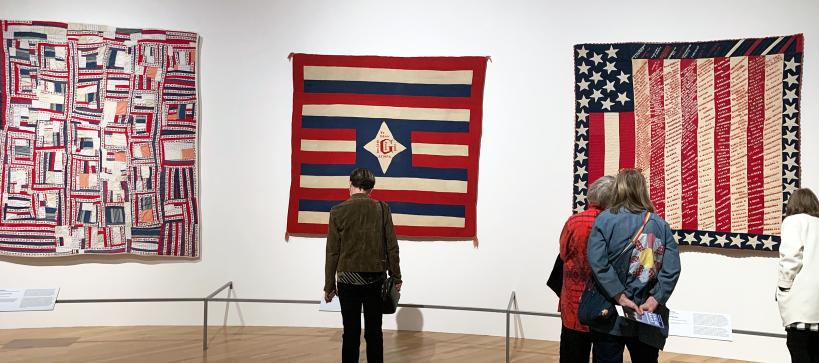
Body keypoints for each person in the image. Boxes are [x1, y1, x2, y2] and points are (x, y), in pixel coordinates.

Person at [586, 168, 681, 363]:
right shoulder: (660, 225)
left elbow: (598, 263)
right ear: (643, 190)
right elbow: (672, 269)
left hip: (610, 311)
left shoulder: (604, 220)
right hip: (646, 312)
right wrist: (655, 300)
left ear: (618, 189)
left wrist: (619, 296)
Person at [324, 167, 402, 363]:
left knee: (350, 333)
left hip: (347, 282)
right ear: (371, 188)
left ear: (350, 184)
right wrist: (397, 276)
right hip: (375, 281)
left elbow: (332, 252)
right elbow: (392, 247)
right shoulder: (382, 209)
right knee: (374, 332)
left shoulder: (337, 211)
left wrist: (329, 286)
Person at [558, 175, 615, 362]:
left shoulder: (574, 222)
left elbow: (563, 255)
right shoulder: (613, 224)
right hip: (603, 302)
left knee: (572, 355)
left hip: (574, 303)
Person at [777, 188, 819, 362]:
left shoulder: (793, 221)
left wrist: (783, 287)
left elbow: (791, 257)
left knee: (798, 349)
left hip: (801, 300)